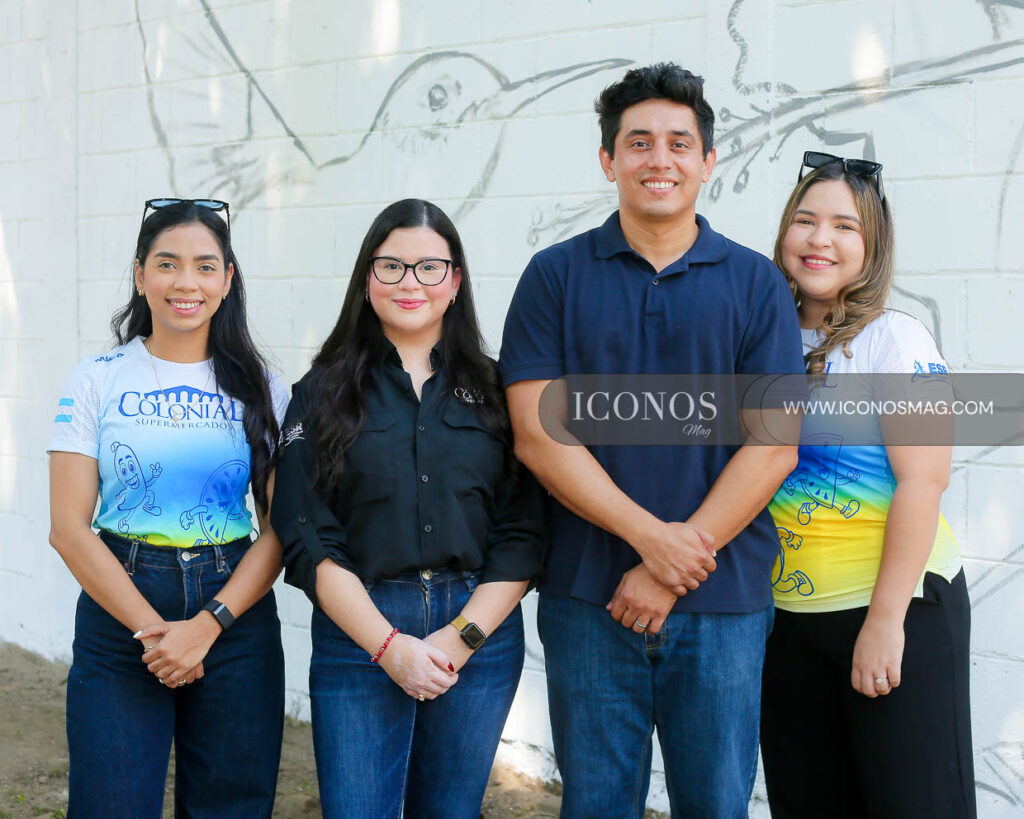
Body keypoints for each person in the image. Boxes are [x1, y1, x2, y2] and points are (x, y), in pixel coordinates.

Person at [499, 63, 805, 818]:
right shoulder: (553, 277)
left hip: (723, 603)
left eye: (678, 143)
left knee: (716, 805)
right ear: (609, 160)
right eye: (638, 142)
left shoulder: (757, 284)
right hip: (589, 599)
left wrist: (671, 568)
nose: (658, 159)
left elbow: (774, 445)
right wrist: (651, 542)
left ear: (707, 161)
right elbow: (536, 436)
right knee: (596, 804)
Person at [271, 198, 545, 819]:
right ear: (367, 278)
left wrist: (462, 636)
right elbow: (306, 530)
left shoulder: (499, 391)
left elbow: (524, 528)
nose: (410, 283)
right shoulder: (319, 393)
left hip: (477, 629)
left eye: (429, 267)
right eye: (391, 266)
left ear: (455, 280)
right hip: (360, 628)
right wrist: (388, 646)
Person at [47, 198, 288, 818]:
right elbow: (68, 529)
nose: (187, 283)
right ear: (140, 275)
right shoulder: (96, 378)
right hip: (121, 606)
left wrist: (208, 625)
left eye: (205, 266)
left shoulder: (264, 386)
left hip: (233, 615)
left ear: (227, 279)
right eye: (167, 264)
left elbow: (280, 529)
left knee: (231, 807)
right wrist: (154, 635)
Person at [760, 153, 976, 818]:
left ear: (872, 246)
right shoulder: (760, 339)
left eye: (844, 226)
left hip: (897, 607)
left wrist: (885, 623)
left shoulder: (896, 339)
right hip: (787, 622)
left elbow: (924, 481)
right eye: (805, 220)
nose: (819, 239)